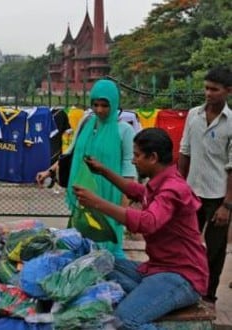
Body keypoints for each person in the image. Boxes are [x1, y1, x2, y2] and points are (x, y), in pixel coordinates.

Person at [73, 128, 208, 329]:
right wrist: (103, 171)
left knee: (123, 320)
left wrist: (97, 203)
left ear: (152, 157)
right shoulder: (159, 183)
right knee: (100, 264)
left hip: (181, 276)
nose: (133, 160)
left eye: (137, 155)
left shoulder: (173, 188)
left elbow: (148, 222)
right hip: (156, 269)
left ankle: (150, 299)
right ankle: (149, 295)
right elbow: (137, 192)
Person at [37, 79, 136, 258]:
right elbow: (71, 153)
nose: (99, 110)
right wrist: (49, 171)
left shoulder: (124, 131)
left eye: (105, 105)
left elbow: (129, 171)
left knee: (107, 247)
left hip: (109, 197)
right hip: (83, 195)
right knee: (78, 245)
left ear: (114, 104)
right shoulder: (86, 125)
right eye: (95, 104)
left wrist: (123, 211)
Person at [178, 66, 232, 303]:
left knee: (215, 250)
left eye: (214, 89)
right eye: (206, 88)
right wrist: (178, 187)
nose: (208, 93)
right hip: (191, 193)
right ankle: (183, 288)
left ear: (227, 91)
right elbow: (185, 152)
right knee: (184, 244)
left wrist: (227, 205)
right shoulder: (193, 115)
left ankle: (208, 296)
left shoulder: (231, 122)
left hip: (218, 196)